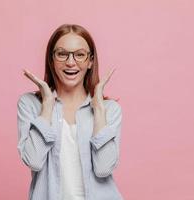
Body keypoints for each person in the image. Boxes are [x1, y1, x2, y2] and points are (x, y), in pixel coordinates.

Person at [17, 24, 124, 200]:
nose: (71, 62)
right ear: (51, 59)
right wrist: (47, 106)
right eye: (62, 54)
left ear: (90, 61)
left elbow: (104, 168)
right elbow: (34, 162)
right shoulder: (30, 105)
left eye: (80, 55)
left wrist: (98, 109)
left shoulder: (109, 109)